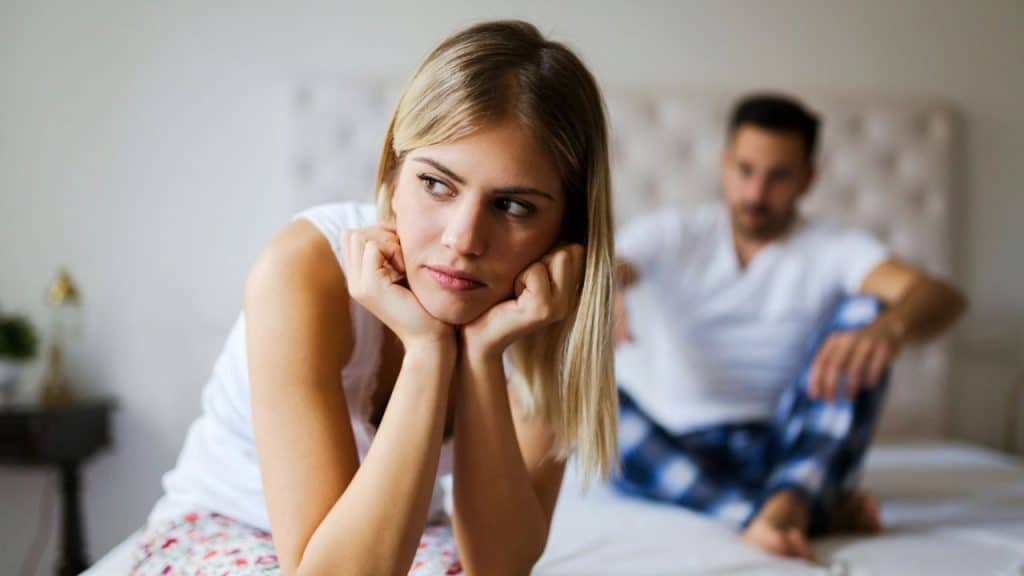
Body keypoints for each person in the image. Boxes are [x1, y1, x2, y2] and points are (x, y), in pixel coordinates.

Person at [133, 20, 618, 576]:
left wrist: (480, 357)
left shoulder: (550, 312)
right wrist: (429, 350)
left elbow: (501, 566)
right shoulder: (305, 271)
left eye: (512, 206)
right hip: (227, 528)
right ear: (392, 174)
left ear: (566, 229)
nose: (462, 240)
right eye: (436, 183)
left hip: (396, 538)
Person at [612, 93, 966, 559]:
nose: (756, 193)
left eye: (779, 176)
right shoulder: (674, 233)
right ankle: (797, 508)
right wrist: (601, 292)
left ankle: (783, 498)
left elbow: (942, 297)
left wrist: (890, 329)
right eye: (745, 170)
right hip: (681, 442)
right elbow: (608, 267)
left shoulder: (834, 247)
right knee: (596, 404)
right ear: (724, 165)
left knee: (867, 311)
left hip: (790, 444)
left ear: (808, 179)